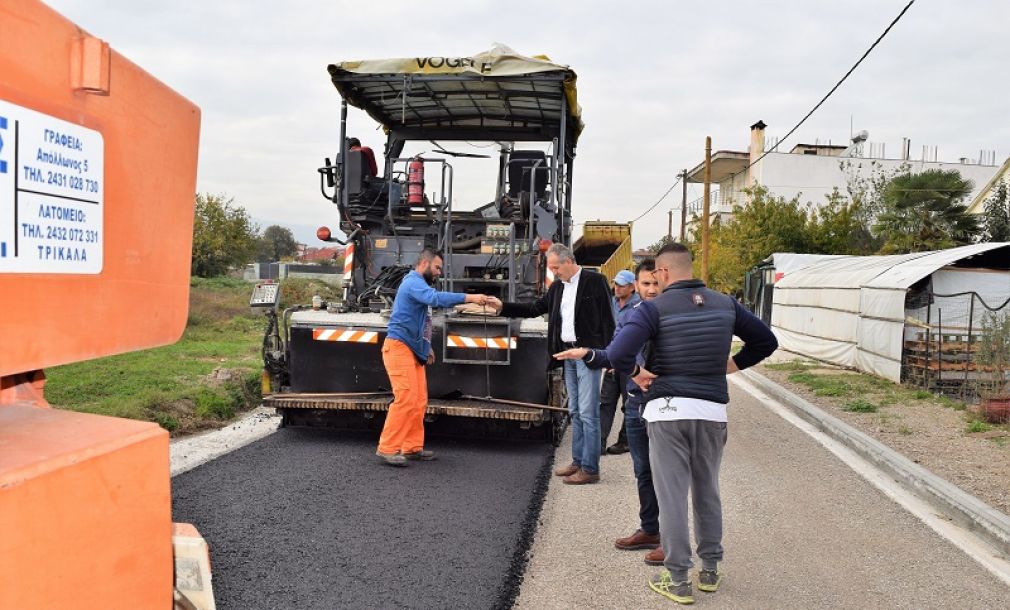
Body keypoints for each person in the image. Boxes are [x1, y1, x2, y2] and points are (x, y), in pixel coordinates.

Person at [571, 242, 777, 604]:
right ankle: (710, 570)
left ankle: (679, 579)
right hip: (712, 413)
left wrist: (637, 373)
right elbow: (766, 341)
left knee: (672, 496)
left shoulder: (652, 309)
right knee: (707, 490)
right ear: (689, 268)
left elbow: (618, 353)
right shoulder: (725, 304)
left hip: (667, 412)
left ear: (663, 272)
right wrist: (734, 364)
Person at [555, 259, 663, 563]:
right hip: (634, 401)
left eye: (656, 283)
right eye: (646, 284)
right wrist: (590, 354)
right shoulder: (636, 314)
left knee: (668, 474)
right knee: (643, 470)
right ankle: (650, 529)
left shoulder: (669, 314)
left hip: (664, 405)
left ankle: (674, 541)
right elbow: (616, 349)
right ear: (637, 286)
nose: (651, 290)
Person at [492, 242, 615, 484]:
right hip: (565, 355)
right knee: (576, 412)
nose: (554, 272)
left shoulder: (595, 282)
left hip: (587, 355)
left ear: (569, 261)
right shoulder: (558, 287)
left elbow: (608, 321)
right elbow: (534, 308)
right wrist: (502, 307)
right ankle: (578, 461)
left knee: (589, 414)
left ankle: (590, 469)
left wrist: (610, 355)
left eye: (556, 267)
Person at [376, 248, 489, 466]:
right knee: (406, 399)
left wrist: (426, 346)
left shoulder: (420, 285)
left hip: (411, 349)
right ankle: (387, 448)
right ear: (425, 264)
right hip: (399, 347)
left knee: (418, 401)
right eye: (437, 267)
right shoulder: (413, 282)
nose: (439, 272)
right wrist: (470, 297)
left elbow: (422, 321)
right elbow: (435, 299)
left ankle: (411, 447)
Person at [599, 269, 639, 455]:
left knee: (629, 404)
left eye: (622, 285)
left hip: (630, 363)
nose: (617, 288)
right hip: (611, 360)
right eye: (616, 284)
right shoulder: (611, 303)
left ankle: (625, 441)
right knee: (606, 401)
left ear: (632, 287)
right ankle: (599, 442)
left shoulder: (639, 306)